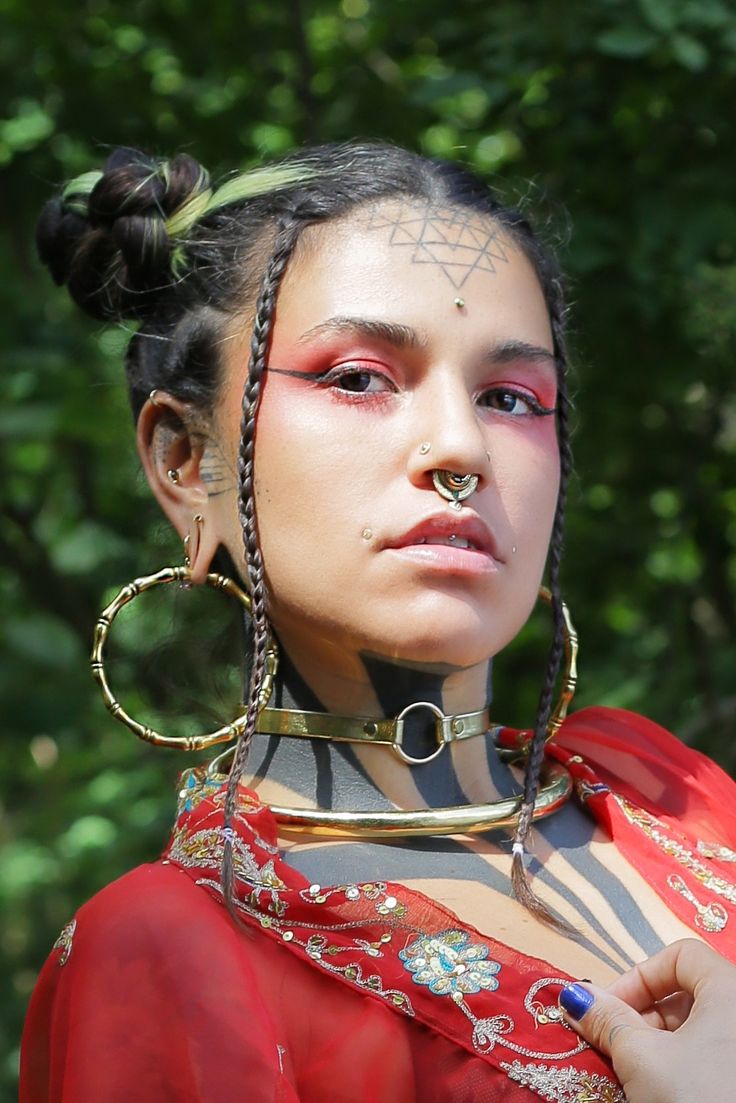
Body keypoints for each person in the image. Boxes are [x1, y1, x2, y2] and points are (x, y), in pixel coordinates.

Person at [20, 142, 736, 1102]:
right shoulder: (173, 948)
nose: (459, 447)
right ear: (188, 461)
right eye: (358, 378)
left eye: (511, 397)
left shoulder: (669, 790)